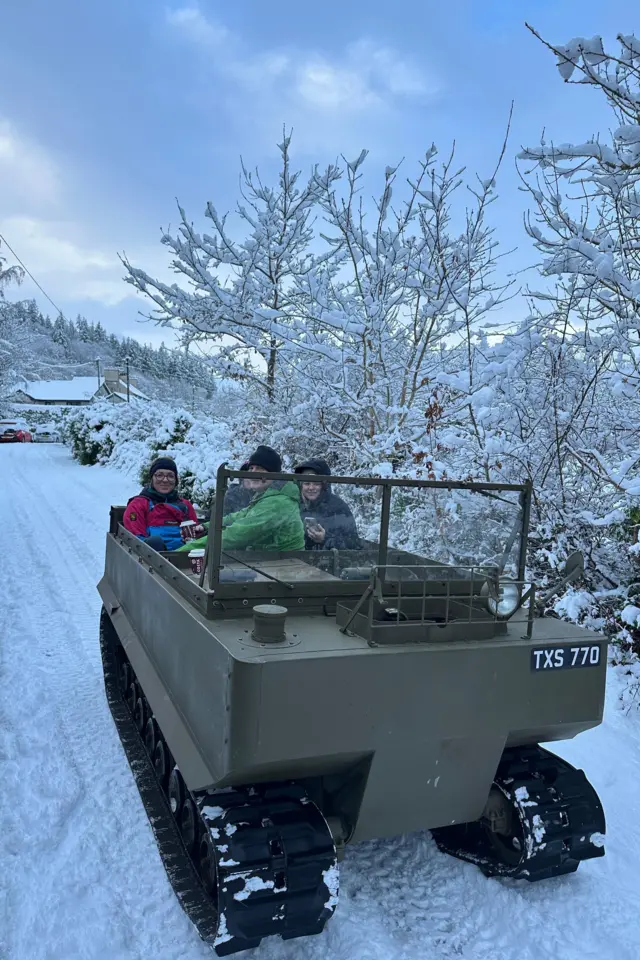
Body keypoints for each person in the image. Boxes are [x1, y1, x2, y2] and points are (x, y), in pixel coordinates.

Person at [177, 445, 304, 553]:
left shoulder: (278, 502)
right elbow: (239, 516)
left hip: (287, 566)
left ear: (273, 474)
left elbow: (236, 534)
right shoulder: (266, 495)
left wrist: (183, 552)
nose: (253, 473)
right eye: (251, 468)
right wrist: (206, 527)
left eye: (260, 469)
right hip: (268, 561)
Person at [123, 457, 202, 551]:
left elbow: (195, 537)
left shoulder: (185, 505)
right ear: (152, 478)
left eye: (170, 476)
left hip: (184, 556)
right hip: (152, 559)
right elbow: (136, 540)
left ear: (176, 480)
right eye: (159, 475)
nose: (165, 480)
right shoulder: (138, 504)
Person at [294, 458, 360, 551]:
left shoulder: (338, 507)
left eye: (316, 483)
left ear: (324, 485)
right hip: (295, 560)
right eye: (307, 483)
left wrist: (325, 539)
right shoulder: (293, 504)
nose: (311, 487)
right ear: (301, 485)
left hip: (330, 562)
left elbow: (353, 543)